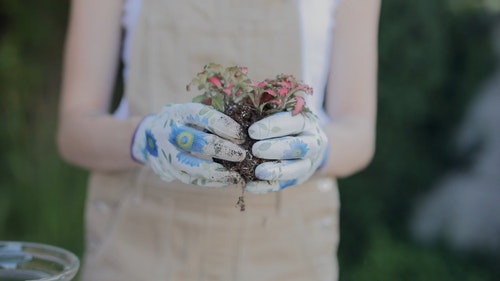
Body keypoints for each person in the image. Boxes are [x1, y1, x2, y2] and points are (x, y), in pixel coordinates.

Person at [57, 0, 380, 280]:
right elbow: (74, 133)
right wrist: (145, 138)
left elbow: (359, 134)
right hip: (138, 243)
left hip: (285, 248)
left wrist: (317, 148)